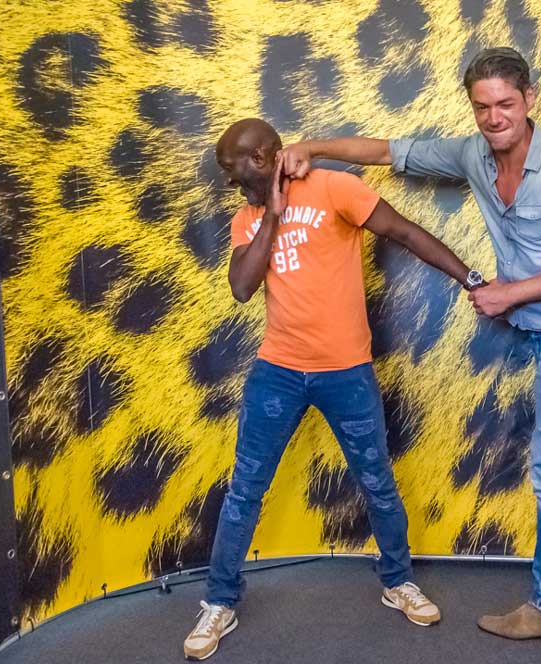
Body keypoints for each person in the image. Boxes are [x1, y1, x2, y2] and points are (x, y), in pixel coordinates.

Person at [280, 47, 541, 643]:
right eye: (482, 106)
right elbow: (387, 150)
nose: (494, 117)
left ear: (529, 99)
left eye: (505, 103)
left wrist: (510, 294)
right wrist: (311, 146)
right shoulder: (472, 155)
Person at [183, 118, 485, 660]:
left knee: (377, 482)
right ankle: (219, 602)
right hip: (277, 372)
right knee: (245, 490)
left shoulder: (334, 188)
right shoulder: (247, 219)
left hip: (347, 371)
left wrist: (472, 279)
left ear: (263, 158)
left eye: (232, 168)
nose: (228, 181)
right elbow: (242, 287)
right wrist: (272, 216)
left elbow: (405, 233)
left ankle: (398, 582)